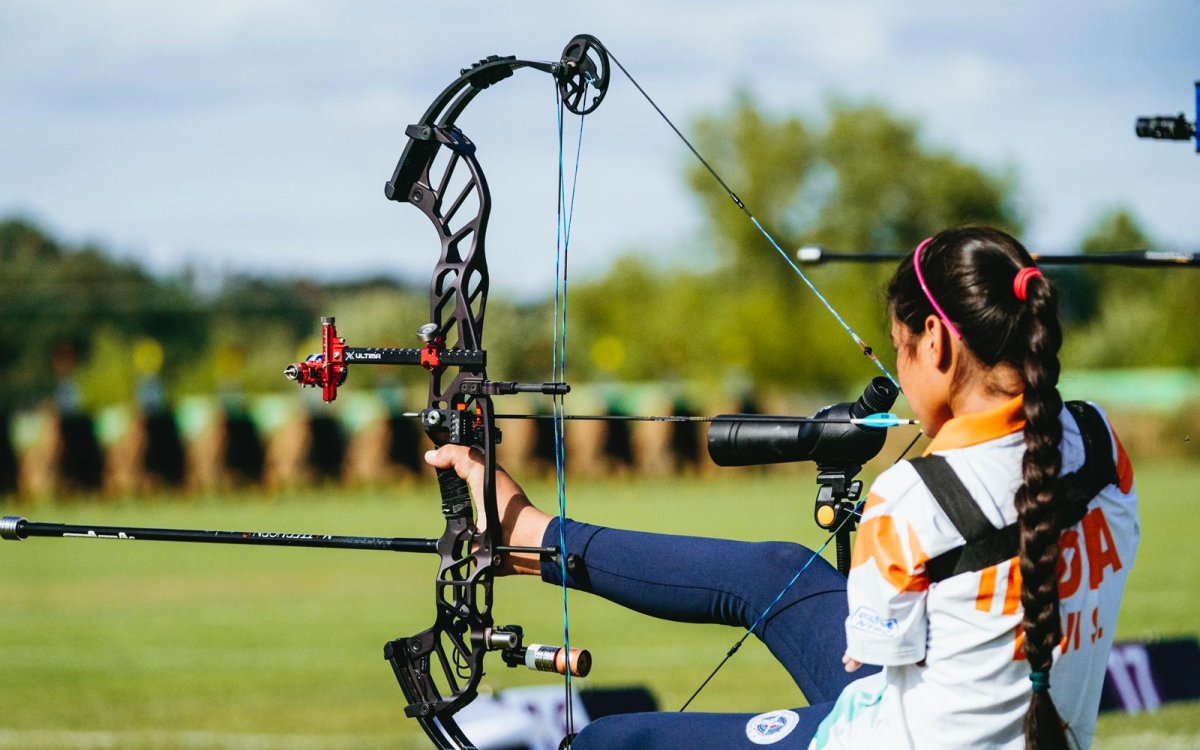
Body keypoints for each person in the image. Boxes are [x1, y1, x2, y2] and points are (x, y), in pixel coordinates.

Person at [427, 227, 1138, 750]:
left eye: (899, 349)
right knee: (778, 569)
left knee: (608, 742)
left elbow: (863, 655)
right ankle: (528, 535)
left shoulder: (915, 498)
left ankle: (523, 541)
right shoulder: (1100, 440)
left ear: (937, 342)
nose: (900, 370)